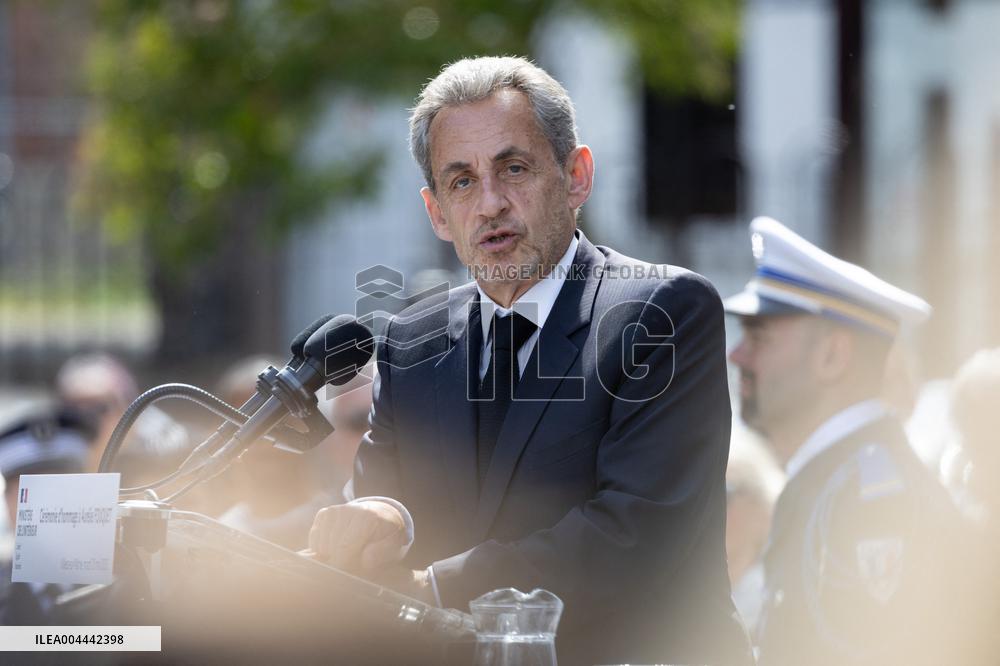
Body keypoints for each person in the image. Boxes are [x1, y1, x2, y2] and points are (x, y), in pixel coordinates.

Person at [307, 56, 752, 664]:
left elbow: (632, 536)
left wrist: (435, 588)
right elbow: (391, 498)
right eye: (461, 181)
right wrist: (381, 518)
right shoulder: (411, 339)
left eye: (513, 169)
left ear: (576, 176)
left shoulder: (661, 311)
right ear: (437, 212)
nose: (489, 204)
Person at [725, 216, 959, 665]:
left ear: (832, 356)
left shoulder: (868, 498)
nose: (738, 353)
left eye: (760, 336)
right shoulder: (837, 478)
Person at [0, 408, 90, 625]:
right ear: (7, 501)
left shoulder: (130, 593)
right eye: (28, 492)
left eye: (61, 488)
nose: (45, 507)